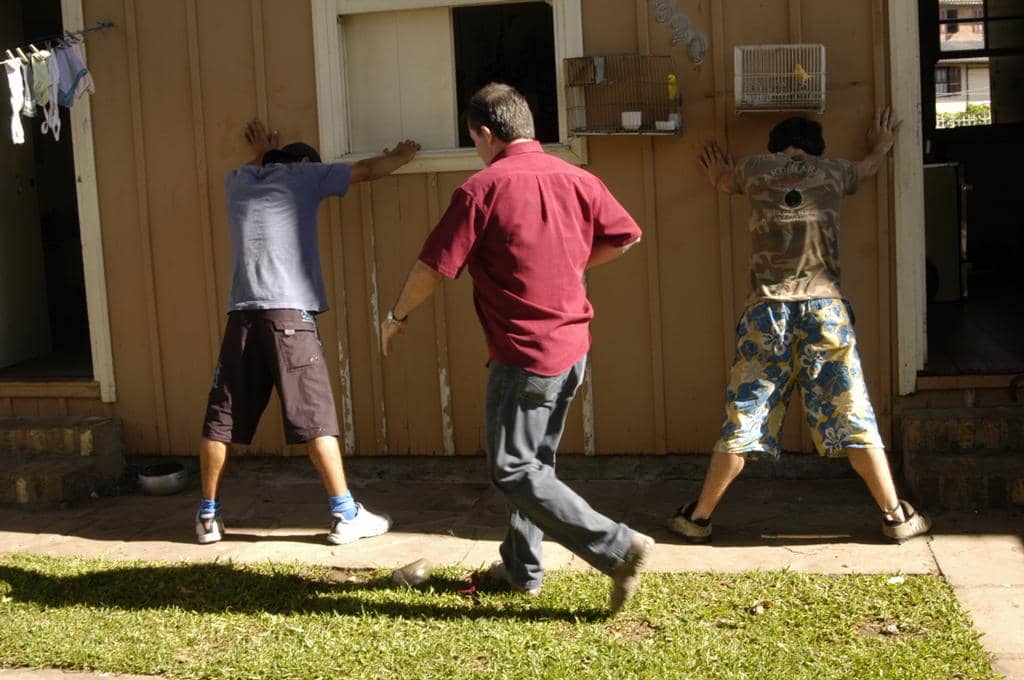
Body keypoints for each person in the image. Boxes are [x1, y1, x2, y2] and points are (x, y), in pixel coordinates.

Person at [381, 83, 654, 614]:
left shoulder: (482, 189)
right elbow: (626, 236)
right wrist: (572, 264)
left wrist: (395, 317)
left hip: (525, 354)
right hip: (572, 347)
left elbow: (434, 268)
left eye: (474, 140)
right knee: (535, 467)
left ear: (485, 133)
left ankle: (619, 547)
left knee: (512, 468)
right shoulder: (578, 178)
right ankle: (521, 568)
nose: (477, 150)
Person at [667, 108, 931, 544]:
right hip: (826, 312)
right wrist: (881, 143)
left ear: (776, 146)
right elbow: (867, 168)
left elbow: (727, 183)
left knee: (745, 417)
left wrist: (717, 174)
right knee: (854, 414)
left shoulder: (754, 167)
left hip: (766, 313)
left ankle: (697, 518)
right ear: (816, 148)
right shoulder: (834, 170)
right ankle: (895, 516)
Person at [196, 119, 419, 546]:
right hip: (287, 318)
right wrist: (402, 155)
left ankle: (207, 518)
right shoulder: (303, 174)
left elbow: (261, 167)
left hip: (241, 317)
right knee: (316, 415)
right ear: (301, 163)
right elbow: (368, 169)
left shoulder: (238, 181)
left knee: (221, 419)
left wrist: (263, 151)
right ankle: (345, 513)